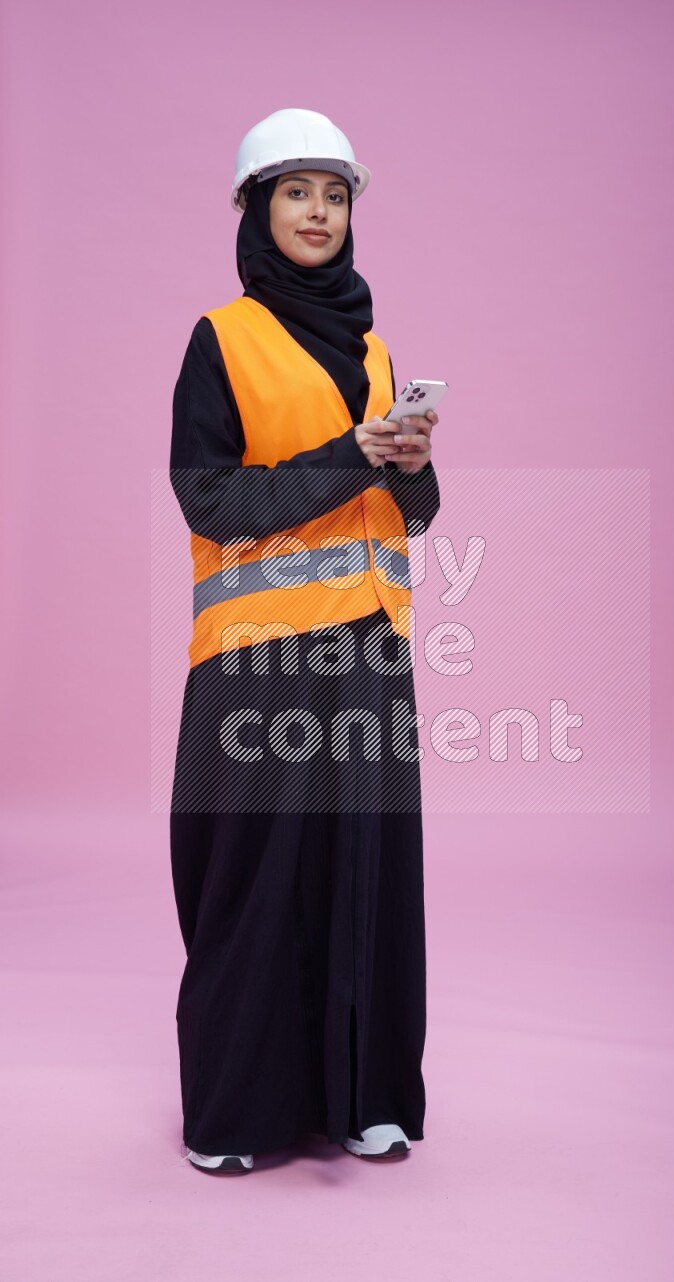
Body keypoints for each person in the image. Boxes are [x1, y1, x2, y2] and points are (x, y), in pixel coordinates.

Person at [168, 108, 441, 1174]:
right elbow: (207, 499)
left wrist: (408, 461)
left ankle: (366, 1100)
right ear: (255, 210)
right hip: (256, 654)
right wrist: (351, 451)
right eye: (295, 192)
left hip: (368, 647)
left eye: (334, 194)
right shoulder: (220, 338)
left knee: (368, 874)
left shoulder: (374, 347)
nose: (318, 212)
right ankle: (235, 1114)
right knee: (255, 876)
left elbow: (409, 515)